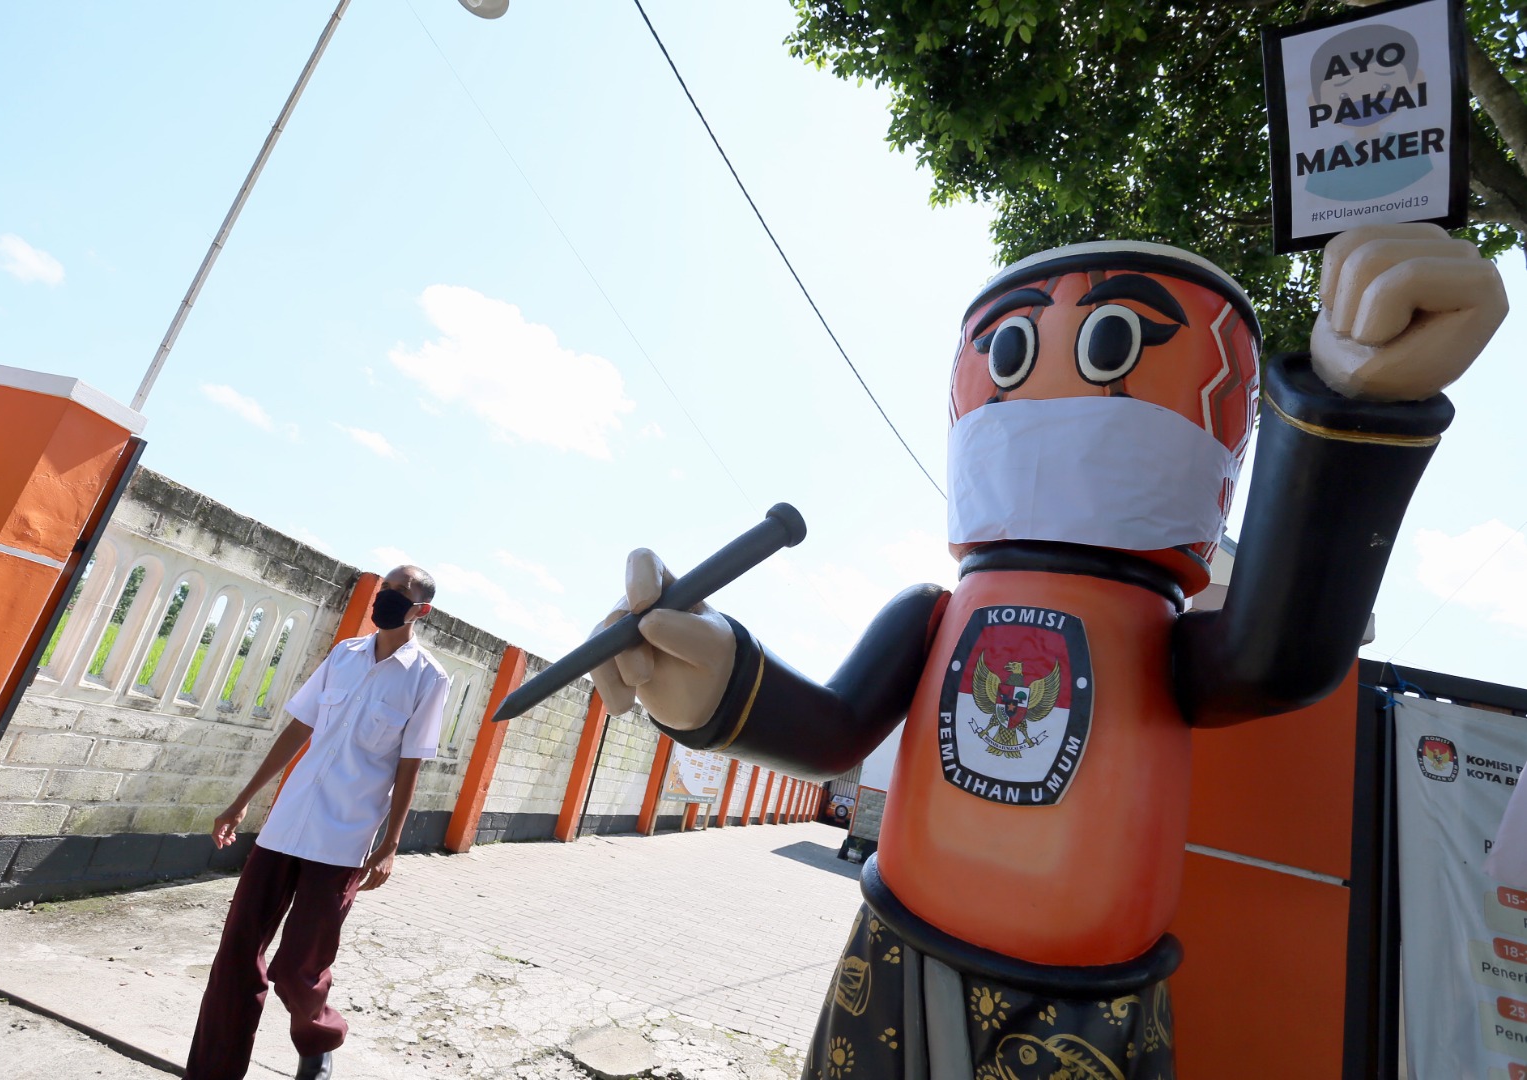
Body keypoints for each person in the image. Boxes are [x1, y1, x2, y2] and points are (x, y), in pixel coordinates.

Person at [589, 224, 1507, 1077]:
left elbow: (1285, 655)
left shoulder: (1159, 637)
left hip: (1089, 1002)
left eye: (1114, 342)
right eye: (1010, 349)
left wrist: (1347, 407)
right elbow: (832, 731)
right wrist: (713, 681)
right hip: (896, 953)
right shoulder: (934, 614)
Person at [183, 565, 452, 1080]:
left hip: (343, 839)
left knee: (300, 972)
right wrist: (243, 800)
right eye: (384, 589)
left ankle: (320, 1037)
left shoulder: (427, 679)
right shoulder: (344, 655)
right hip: (286, 826)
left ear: (423, 609)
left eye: (400, 593)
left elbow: (409, 763)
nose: (386, 598)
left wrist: (391, 842)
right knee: (237, 953)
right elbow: (299, 727)